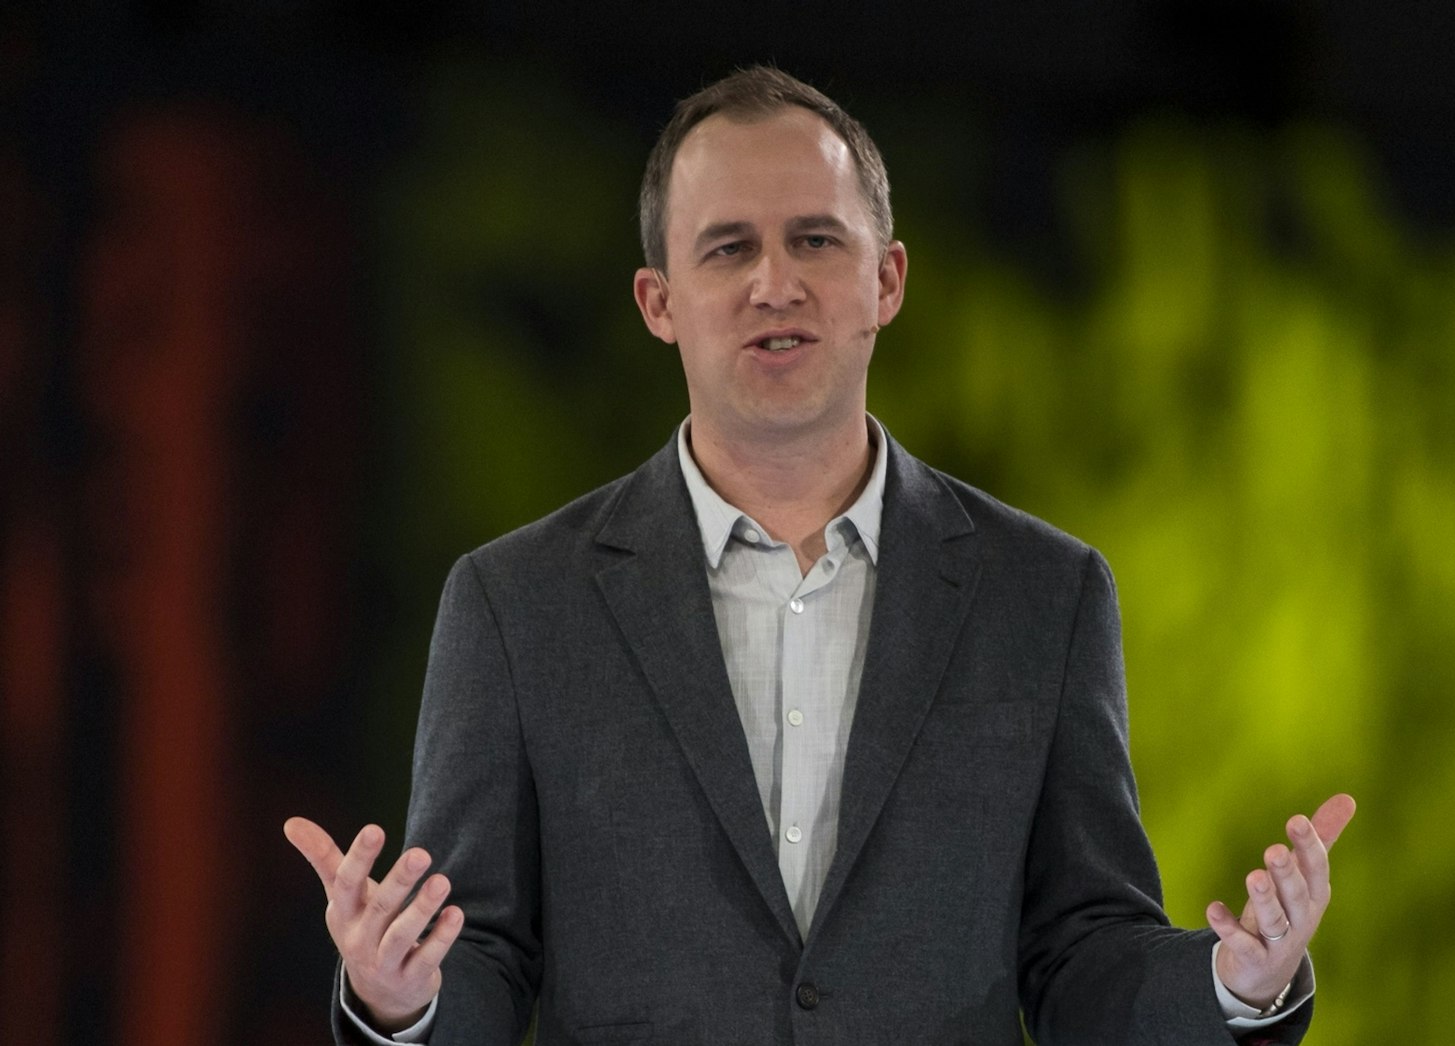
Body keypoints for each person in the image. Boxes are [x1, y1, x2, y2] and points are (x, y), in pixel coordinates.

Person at [285, 65, 1355, 1045]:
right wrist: (401, 997)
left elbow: (1083, 951)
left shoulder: (1045, 592)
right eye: (728, 247)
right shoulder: (515, 602)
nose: (775, 283)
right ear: (659, 302)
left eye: (815, 240)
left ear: (887, 280)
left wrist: (1235, 982)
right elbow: (479, 955)